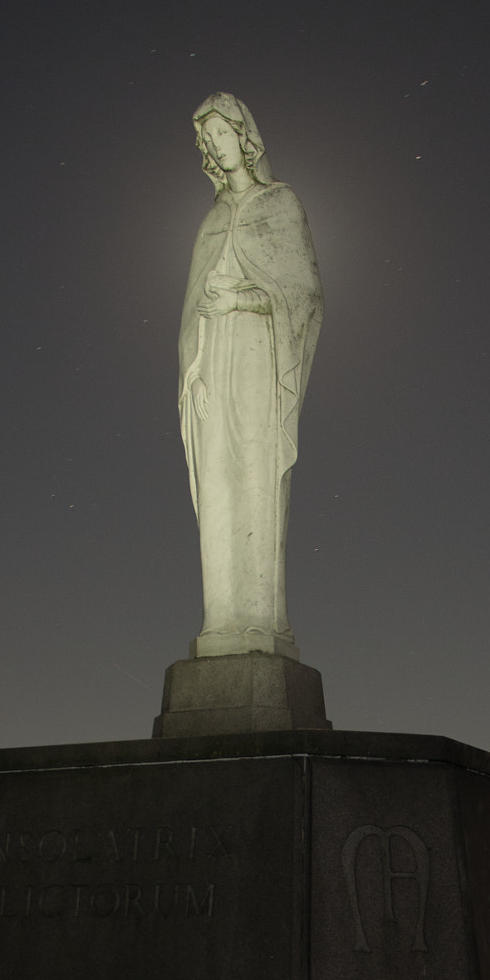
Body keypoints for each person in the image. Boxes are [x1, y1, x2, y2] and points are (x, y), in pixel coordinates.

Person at [178, 93, 323, 659]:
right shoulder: (212, 220)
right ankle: (220, 621)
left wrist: (240, 297)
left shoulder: (280, 203)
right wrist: (193, 371)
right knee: (216, 484)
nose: (216, 144)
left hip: (260, 359)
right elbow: (191, 310)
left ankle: (261, 620)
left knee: (257, 479)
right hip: (213, 364)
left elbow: (305, 293)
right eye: (207, 138)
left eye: (222, 132)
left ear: (245, 136)